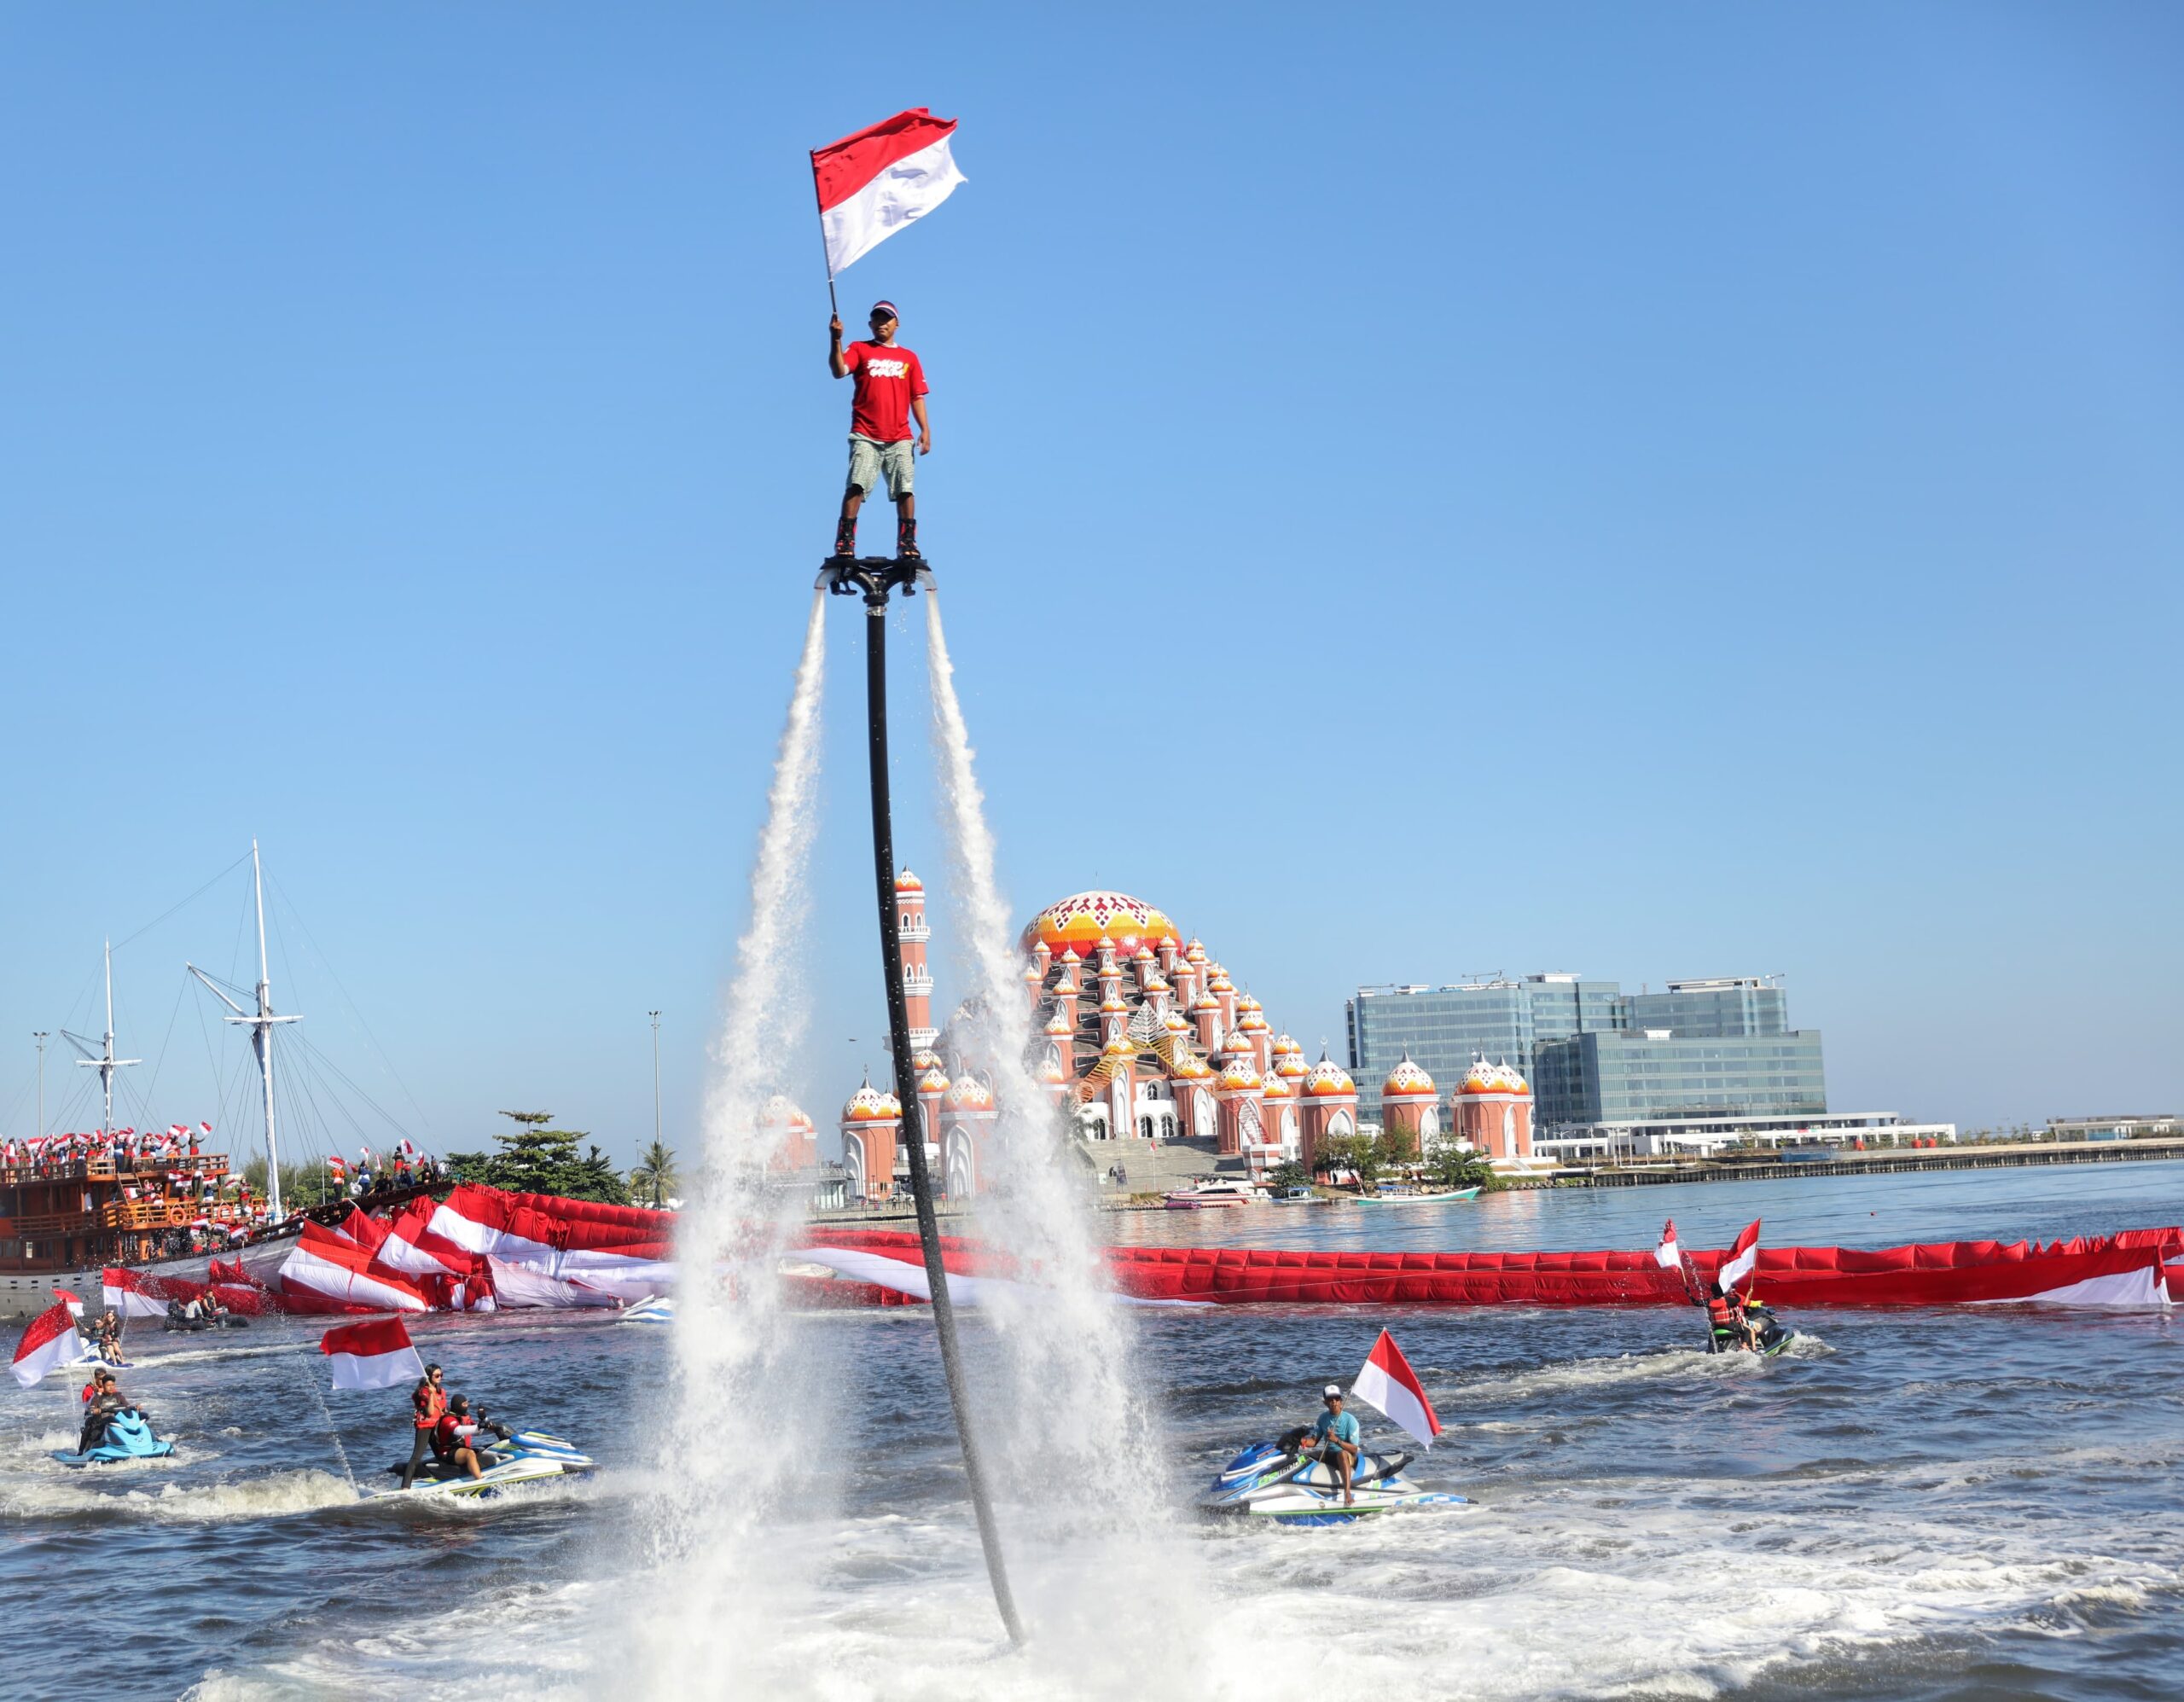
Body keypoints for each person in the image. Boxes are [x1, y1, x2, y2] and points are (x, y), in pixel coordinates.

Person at [827, 300, 932, 562]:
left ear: (896, 324)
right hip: (866, 434)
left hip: (900, 436)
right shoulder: (861, 349)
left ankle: (907, 542)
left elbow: (916, 396)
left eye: (887, 319)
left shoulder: (909, 357)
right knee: (857, 484)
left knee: (905, 488)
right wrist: (835, 340)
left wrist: (925, 429)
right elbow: (839, 370)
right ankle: (845, 541)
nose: (882, 323)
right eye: (877, 319)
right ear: (870, 324)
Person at [1285, 1383, 1362, 1507]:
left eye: (1337, 1399)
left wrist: (1337, 1440)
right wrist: (1299, 1440)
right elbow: (1313, 1442)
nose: (1334, 1402)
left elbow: (1354, 1449)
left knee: (1342, 1454)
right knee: (1305, 1457)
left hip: (1347, 1457)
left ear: (1341, 1401)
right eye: (1330, 1399)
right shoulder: (1323, 1418)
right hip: (1330, 1454)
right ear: (1325, 1402)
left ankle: (1347, 1492)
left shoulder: (1350, 1420)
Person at [400, 1363, 449, 1489]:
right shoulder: (423, 1393)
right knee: (416, 1457)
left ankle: (446, 1478)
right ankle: (405, 1487)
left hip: (437, 1427)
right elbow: (430, 1412)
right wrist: (431, 1395)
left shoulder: (442, 1391)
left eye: (441, 1375)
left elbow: (443, 1410)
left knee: (441, 1455)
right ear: (429, 1376)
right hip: (425, 1427)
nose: (440, 1378)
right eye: (437, 1375)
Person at [429, 1396, 489, 1482]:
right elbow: (458, 1430)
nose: (467, 1405)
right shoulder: (448, 1419)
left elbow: (478, 1432)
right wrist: (480, 1425)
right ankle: (480, 1480)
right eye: (464, 1404)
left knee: (483, 1451)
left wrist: (483, 1419)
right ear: (457, 1405)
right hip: (447, 1452)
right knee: (470, 1454)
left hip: (459, 1450)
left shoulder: (462, 1418)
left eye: (467, 1403)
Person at [1705, 1281, 1762, 1351]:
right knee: (1749, 1330)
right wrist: (1749, 1294)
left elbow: (1697, 1303)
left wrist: (1689, 1293)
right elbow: (1742, 1301)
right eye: (1733, 1287)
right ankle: (1749, 1346)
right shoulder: (1728, 1300)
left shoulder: (1709, 1301)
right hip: (1730, 1325)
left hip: (1716, 1327)